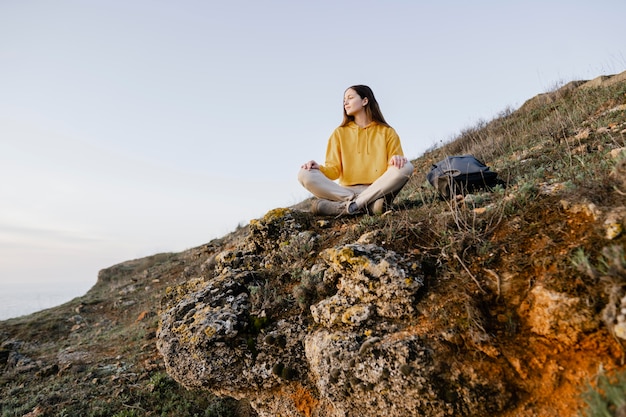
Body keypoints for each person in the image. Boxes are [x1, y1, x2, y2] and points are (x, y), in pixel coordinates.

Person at [298, 85, 414, 216]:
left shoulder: (387, 132)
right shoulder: (339, 133)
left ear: (365, 101)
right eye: (344, 100)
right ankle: (366, 205)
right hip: (345, 192)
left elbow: (392, 169)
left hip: (377, 188)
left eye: (350, 98)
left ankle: (348, 207)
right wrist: (318, 168)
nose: (345, 102)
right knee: (304, 174)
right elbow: (334, 170)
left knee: (406, 167)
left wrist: (396, 159)